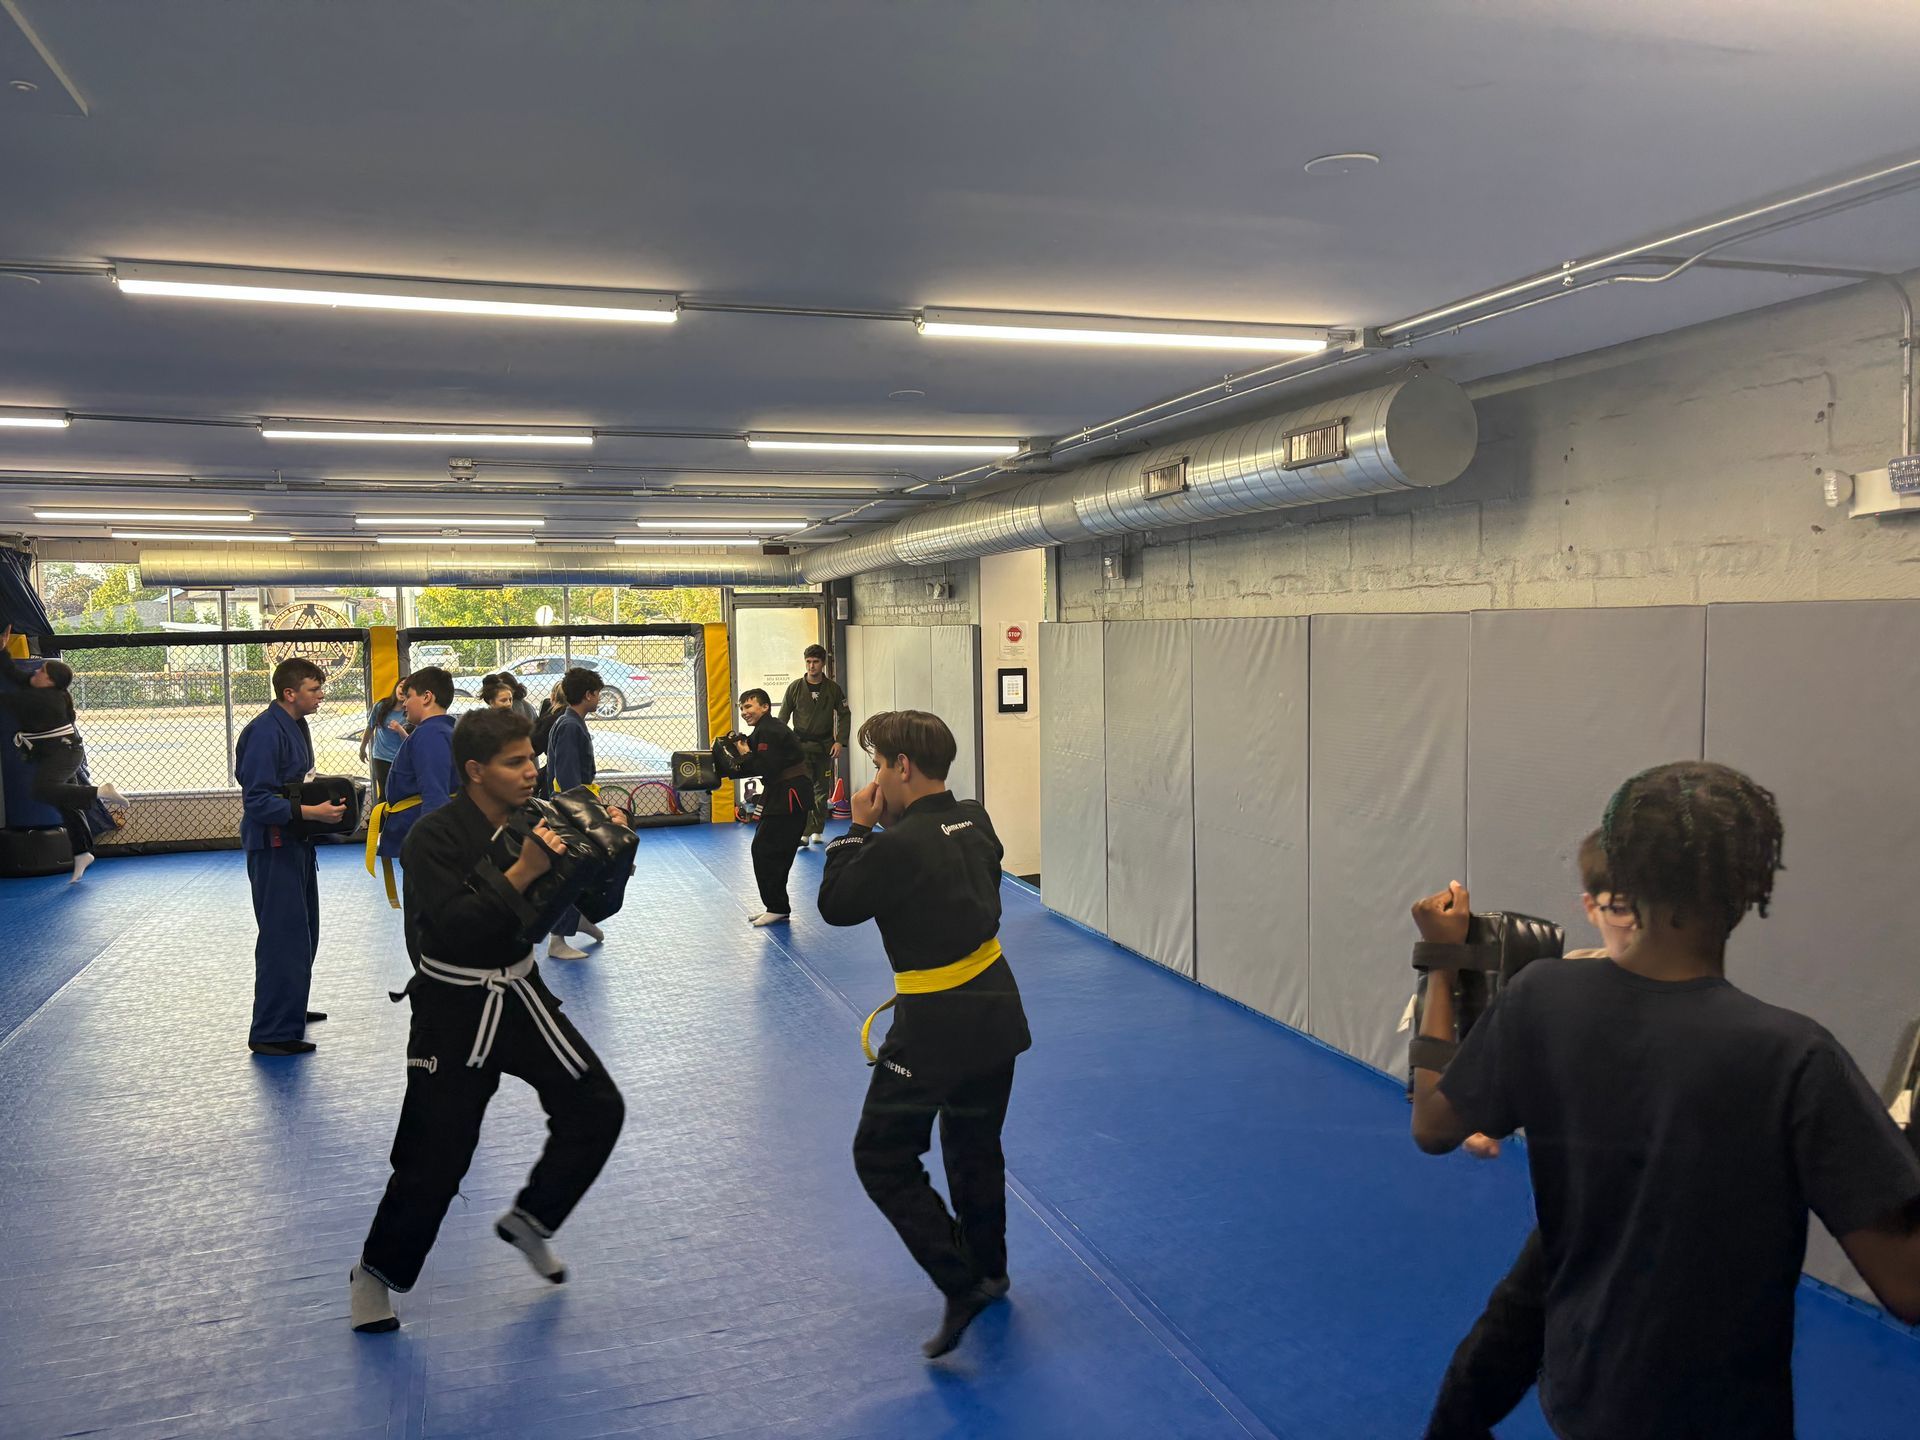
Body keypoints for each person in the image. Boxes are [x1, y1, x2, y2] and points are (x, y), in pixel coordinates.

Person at [1410, 762, 1920, 1439]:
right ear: (1750, 887)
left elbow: (1431, 1123)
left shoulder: (1542, 996)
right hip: (1720, 1417)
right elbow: (1908, 1288)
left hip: (1581, 1381)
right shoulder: (1795, 1057)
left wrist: (1441, 960)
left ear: (1623, 875)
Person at [348, 707, 626, 1333]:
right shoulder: (434, 838)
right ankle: (375, 1274)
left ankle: (532, 1218)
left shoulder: (542, 820)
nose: (532, 771)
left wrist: (612, 858)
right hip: (453, 1007)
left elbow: (586, 906)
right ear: (475, 771)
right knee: (436, 1158)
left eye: (533, 759)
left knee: (597, 1106)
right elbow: (449, 933)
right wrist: (523, 870)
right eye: (515, 762)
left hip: (520, 994)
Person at [817, 710, 1032, 1358]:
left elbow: (836, 905)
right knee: (973, 1143)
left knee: (881, 1155)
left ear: (901, 767)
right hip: (995, 1006)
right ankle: (990, 1269)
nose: (876, 775)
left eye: (879, 764)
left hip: (936, 1026)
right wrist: (893, 828)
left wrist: (857, 827)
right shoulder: (976, 817)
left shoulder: (895, 847)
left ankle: (959, 1278)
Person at [1418, 830, 1620, 1440]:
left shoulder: (1558, 990)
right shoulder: (1572, 981)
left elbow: (1431, 1126)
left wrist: (1443, 963)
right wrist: (1486, 1106)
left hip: (1610, 1239)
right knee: (1471, 1389)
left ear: (1592, 902)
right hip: (1574, 1231)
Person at [234, 656, 343, 1057]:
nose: (320, 697)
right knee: (283, 938)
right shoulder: (264, 732)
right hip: (274, 845)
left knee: (305, 933)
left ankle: (290, 1007)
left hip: (296, 842)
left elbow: (298, 782)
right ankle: (272, 1031)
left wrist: (317, 801)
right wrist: (311, 812)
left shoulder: (297, 725)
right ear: (290, 693)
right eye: (314, 690)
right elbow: (258, 800)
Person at [0, 624, 129, 882]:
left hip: (64, 754)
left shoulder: (39, 699)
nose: (37, 670)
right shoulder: (45, 689)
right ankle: (82, 852)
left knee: (42, 789)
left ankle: (100, 792)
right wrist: (3, 650)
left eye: (42, 670)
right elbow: (14, 674)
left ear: (49, 681)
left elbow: (5, 698)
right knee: (67, 803)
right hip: (59, 751)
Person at [720, 687, 810, 927]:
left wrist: (745, 753)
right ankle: (776, 906)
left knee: (768, 851)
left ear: (765, 707)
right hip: (780, 795)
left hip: (788, 798)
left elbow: (765, 767)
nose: (744, 712)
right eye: (741, 708)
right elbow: (756, 765)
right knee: (766, 850)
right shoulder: (763, 730)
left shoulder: (770, 730)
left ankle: (777, 907)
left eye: (749, 706)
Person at [543, 666, 607, 961]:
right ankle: (557, 938)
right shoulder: (569, 726)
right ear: (588, 694)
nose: (599, 699)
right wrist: (582, 813)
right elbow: (567, 778)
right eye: (598, 694)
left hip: (571, 804)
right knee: (568, 871)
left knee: (582, 870)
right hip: (569, 808)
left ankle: (574, 917)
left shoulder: (572, 722)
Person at [373, 667, 458, 869]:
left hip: (426, 834)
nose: (404, 703)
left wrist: (431, 844)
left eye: (408, 696)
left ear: (427, 697)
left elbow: (435, 794)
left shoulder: (431, 734)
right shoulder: (438, 731)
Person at [778, 644, 850, 849]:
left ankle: (817, 828)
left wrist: (840, 741)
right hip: (800, 746)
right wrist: (782, 743)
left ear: (823, 664)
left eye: (815, 662)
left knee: (821, 790)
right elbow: (782, 717)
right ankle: (804, 831)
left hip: (824, 745)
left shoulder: (833, 689)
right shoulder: (795, 688)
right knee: (803, 788)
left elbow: (844, 714)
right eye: (808, 662)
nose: (811, 666)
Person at [359, 679, 411, 802]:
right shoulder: (381, 706)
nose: (402, 691)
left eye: (407, 689)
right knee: (384, 793)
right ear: (396, 688)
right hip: (381, 757)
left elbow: (410, 741)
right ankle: (380, 819)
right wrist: (362, 748)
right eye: (401, 686)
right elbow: (370, 728)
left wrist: (399, 729)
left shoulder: (410, 711)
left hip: (401, 759)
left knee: (400, 794)